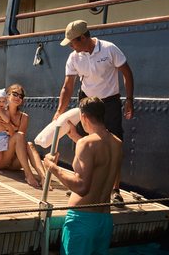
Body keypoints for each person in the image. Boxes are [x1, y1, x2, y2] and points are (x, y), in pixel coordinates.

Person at [54, 19, 134, 203]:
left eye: (72, 42)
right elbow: (67, 87)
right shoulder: (74, 57)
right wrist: (60, 111)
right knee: (82, 141)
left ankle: (115, 190)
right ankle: (80, 181)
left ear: (82, 38)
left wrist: (129, 100)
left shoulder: (109, 49)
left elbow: (127, 73)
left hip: (110, 101)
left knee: (114, 141)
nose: (70, 46)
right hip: (87, 101)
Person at [44, 97, 123, 255]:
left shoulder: (86, 144)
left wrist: (53, 168)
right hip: (104, 221)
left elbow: (81, 187)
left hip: (82, 220)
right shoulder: (117, 143)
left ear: (84, 117)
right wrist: (76, 138)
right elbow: (100, 160)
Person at [0, 84, 46, 188]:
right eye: (15, 94)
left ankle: (44, 178)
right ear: (7, 96)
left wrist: (8, 126)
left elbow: (20, 139)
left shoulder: (24, 117)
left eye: (21, 96)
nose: (18, 97)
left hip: (15, 163)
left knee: (29, 144)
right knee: (19, 136)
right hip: (1, 159)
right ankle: (28, 175)